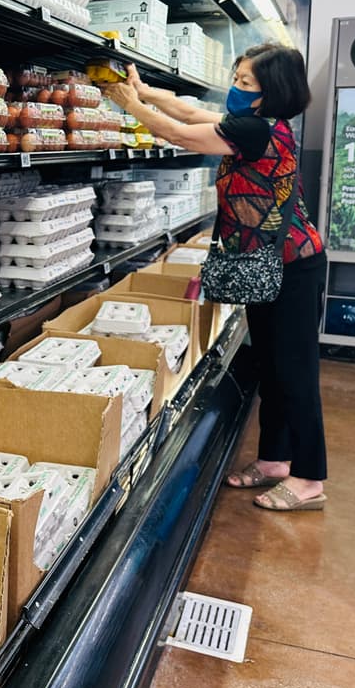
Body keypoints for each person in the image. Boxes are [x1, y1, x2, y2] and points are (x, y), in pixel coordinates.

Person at [103, 43, 328, 512]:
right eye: (237, 77)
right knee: (270, 366)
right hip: (266, 263)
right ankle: (273, 461)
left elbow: (180, 133)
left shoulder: (254, 129)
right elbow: (189, 110)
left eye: (246, 82)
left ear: (271, 93)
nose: (235, 88)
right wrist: (146, 90)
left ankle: (310, 478)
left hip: (292, 265)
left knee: (295, 373)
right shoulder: (258, 124)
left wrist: (131, 106)